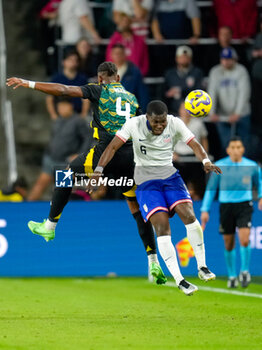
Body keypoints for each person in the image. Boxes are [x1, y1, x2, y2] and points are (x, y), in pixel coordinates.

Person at [6, 62, 166, 285]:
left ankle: (50, 226)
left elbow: (63, 90)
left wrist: (29, 83)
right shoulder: (132, 99)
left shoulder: (97, 90)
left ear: (100, 79)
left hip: (104, 155)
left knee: (65, 176)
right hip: (130, 160)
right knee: (136, 209)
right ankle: (153, 261)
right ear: (117, 78)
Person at [88, 100, 221, 295]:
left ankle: (202, 266)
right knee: (162, 227)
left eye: (163, 122)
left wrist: (206, 160)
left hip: (170, 177)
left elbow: (194, 143)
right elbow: (112, 147)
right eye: (156, 122)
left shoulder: (174, 122)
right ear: (147, 118)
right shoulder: (134, 124)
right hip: (146, 182)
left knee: (190, 217)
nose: (160, 125)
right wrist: (99, 170)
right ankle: (180, 279)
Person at [201, 137, 262, 288]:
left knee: (245, 239)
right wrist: (204, 209)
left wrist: (261, 196)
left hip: (244, 205)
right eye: (233, 147)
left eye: (238, 147)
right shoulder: (220, 166)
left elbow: (259, 183)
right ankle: (232, 275)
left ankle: (245, 271)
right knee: (229, 243)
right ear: (228, 150)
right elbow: (211, 189)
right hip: (226, 206)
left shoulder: (252, 166)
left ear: (243, 149)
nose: (236, 150)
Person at [27, 97, 94, 201]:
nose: (61, 109)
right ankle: (27, 209)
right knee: (40, 184)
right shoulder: (57, 120)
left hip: (65, 162)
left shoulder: (78, 121)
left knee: (62, 190)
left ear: (70, 106)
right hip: (51, 158)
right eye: (59, 106)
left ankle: (60, 214)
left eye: (63, 106)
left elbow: (88, 138)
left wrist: (80, 155)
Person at [208, 47, 251, 154]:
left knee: (243, 146)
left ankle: (244, 170)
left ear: (235, 59)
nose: (226, 61)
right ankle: (229, 170)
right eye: (224, 59)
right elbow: (212, 92)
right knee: (226, 147)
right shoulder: (215, 71)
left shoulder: (241, 70)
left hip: (242, 115)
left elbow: (244, 92)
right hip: (222, 116)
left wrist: (237, 113)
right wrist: (211, 112)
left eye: (229, 59)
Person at [173, 101, 208, 198]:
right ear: (179, 110)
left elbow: (204, 139)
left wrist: (204, 156)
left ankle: (198, 200)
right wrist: (172, 153)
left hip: (194, 158)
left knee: (198, 186)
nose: (185, 111)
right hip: (178, 158)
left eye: (187, 109)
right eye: (183, 109)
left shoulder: (198, 123)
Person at [47, 51, 89, 120]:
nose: (72, 62)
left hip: (78, 115)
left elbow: (86, 99)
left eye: (75, 60)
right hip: (61, 115)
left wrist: (83, 114)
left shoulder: (82, 79)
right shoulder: (56, 79)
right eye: (70, 59)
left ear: (78, 63)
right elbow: (49, 98)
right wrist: (53, 115)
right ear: (63, 62)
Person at [164, 46, 203, 114]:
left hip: (192, 111)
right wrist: (167, 94)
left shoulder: (197, 72)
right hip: (173, 112)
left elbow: (199, 92)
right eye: (181, 57)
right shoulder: (170, 74)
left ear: (190, 59)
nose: (183, 59)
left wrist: (180, 90)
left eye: (186, 57)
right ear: (176, 58)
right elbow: (163, 92)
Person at [110, 43, 149, 113]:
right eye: (115, 53)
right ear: (111, 55)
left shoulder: (134, 72)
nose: (118, 56)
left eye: (120, 53)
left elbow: (143, 95)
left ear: (124, 55)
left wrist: (141, 113)